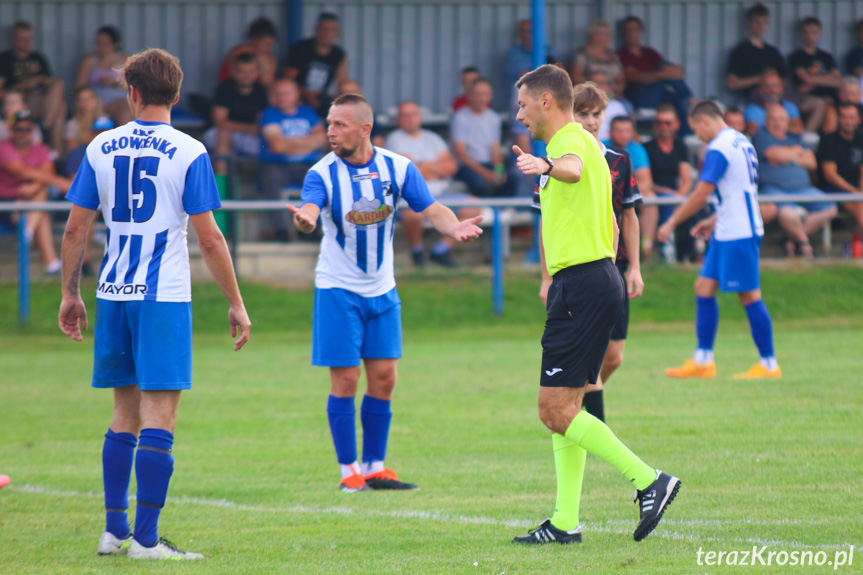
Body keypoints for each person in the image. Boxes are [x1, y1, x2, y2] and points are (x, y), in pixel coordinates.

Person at [58, 48, 251, 561]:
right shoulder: (189, 151)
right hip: (162, 297)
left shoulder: (100, 148)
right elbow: (210, 239)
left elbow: (77, 226)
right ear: (178, 93)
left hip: (113, 294)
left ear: (132, 92)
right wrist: (236, 302)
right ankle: (145, 539)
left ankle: (114, 531)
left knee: (125, 413)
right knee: (159, 415)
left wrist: (70, 293)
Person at [510, 64, 680, 545]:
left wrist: (545, 166)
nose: (519, 114)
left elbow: (571, 170)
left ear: (546, 101)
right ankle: (565, 522)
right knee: (568, 403)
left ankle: (651, 481)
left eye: (523, 104)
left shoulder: (566, 141)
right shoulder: (578, 142)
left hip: (583, 284)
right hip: (589, 280)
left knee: (552, 408)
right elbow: (598, 203)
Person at [286, 93, 483, 493]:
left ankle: (376, 467)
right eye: (329, 123)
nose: (330, 132)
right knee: (345, 381)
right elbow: (309, 207)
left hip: (383, 290)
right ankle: (349, 473)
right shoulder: (321, 174)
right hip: (338, 290)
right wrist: (306, 219)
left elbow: (431, 209)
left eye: (339, 125)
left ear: (364, 129)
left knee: (385, 378)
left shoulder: (399, 167)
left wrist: (453, 226)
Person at [532, 80, 643, 423]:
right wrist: (546, 275)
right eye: (583, 113)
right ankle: (587, 421)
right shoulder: (556, 158)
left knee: (612, 358)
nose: (591, 120)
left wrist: (635, 266)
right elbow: (545, 221)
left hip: (609, 269)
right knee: (587, 369)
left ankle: (576, 413)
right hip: (581, 269)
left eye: (597, 114)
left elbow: (625, 214)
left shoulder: (617, 160)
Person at [658, 100, 780, 380]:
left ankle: (769, 364)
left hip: (739, 232)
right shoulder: (741, 140)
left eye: (695, 129)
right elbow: (741, 189)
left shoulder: (719, 148)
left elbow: (702, 192)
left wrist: (672, 222)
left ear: (704, 121)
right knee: (703, 287)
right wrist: (714, 220)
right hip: (729, 227)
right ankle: (703, 360)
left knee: (749, 295)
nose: (697, 136)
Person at [385, 100, 480, 267]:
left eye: (413, 114)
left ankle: (441, 250)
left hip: (442, 192)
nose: (410, 119)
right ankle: (417, 252)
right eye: (405, 115)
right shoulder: (394, 139)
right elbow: (411, 173)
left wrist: (424, 167)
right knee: (413, 215)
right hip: (412, 196)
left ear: (420, 117)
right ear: (398, 119)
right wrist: (436, 167)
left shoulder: (433, 138)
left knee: (474, 206)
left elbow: (451, 166)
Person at [753, 104, 837, 258]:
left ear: (787, 122)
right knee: (788, 214)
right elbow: (774, 155)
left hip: (803, 188)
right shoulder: (761, 135)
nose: (778, 123)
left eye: (782, 119)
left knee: (831, 208)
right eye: (773, 119)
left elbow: (812, 162)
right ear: (766, 121)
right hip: (774, 189)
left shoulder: (794, 137)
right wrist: (797, 154)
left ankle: (792, 239)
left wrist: (787, 156)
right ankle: (804, 243)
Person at [0, 110, 70, 274]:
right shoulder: (3, 147)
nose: (24, 133)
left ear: (33, 131)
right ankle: (50, 261)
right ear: (11, 130)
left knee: (40, 201)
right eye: (19, 129)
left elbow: (47, 173)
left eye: (28, 129)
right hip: (6, 204)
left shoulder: (42, 149)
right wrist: (60, 182)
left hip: (27, 205)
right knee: (41, 207)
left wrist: (34, 186)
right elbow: (20, 170)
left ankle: (27, 234)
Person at [259, 78, 326, 242]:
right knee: (271, 179)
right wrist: (309, 142)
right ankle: (280, 230)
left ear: (296, 94)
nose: (281, 97)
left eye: (286, 94)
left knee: (320, 180)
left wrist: (289, 143)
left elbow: (322, 139)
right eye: (278, 94)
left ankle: (310, 228)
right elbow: (277, 145)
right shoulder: (269, 113)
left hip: (306, 165)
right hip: (278, 165)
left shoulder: (308, 112)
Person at [0, 21, 66, 152]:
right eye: (22, 39)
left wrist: (42, 81)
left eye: (29, 39)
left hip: (40, 99)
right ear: (13, 38)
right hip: (19, 100)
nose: (26, 43)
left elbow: (51, 83)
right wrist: (23, 85)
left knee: (59, 87)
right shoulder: (4, 59)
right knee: (60, 108)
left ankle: (53, 147)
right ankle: (46, 134)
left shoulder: (38, 57)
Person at [643, 104, 698, 261]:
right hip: (655, 192)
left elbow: (686, 180)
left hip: (675, 195)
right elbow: (647, 181)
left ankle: (678, 252)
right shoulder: (647, 147)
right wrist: (670, 194)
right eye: (659, 122)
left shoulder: (681, 147)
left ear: (676, 125)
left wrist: (677, 197)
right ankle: (669, 251)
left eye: (667, 123)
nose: (663, 126)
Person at [617, 15, 692, 129]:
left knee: (679, 100)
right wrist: (661, 75)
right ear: (623, 33)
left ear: (641, 32)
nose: (631, 34)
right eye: (628, 30)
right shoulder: (621, 54)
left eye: (634, 30)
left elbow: (677, 72)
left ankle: (687, 134)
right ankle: (691, 98)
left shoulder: (649, 53)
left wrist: (653, 75)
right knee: (660, 82)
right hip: (637, 96)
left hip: (658, 94)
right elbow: (636, 77)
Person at [206, 53, 269, 176]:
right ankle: (222, 189)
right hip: (218, 134)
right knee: (224, 135)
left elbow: (262, 121)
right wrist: (248, 128)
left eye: (250, 71)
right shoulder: (225, 88)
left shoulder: (260, 90)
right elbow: (220, 122)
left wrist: (254, 129)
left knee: (268, 142)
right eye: (241, 71)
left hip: (248, 136)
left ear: (257, 73)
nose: (246, 76)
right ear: (233, 72)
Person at [451, 77, 515, 197]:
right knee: (481, 184)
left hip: (487, 165)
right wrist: (486, 174)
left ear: (490, 96)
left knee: (511, 180)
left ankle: (502, 213)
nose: (481, 98)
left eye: (485, 94)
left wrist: (499, 172)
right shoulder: (460, 117)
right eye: (478, 94)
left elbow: (495, 149)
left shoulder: (494, 118)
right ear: (469, 96)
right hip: (466, 167)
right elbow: (461, 153)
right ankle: (484, 214)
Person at [604, 115, 658, 257]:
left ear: (632, 132)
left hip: (626, 195)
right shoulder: (601, 147)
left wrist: (626, 195)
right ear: (610, 132)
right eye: (619, 131)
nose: (623, 135)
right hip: (605, 197)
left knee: (650, 200)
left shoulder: (637, 149)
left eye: (627, 131)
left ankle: (646, 247)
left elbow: (647, 182)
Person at [283, 12, 347, 118]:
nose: (327, 33)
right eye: (324, 28)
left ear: (337, 33)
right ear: (316, 29)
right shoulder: (301, 49)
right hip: (298, 97)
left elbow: (342, 82)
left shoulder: (338, 54)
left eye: (331, 29)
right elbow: (288, 81)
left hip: (321, 99)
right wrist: (306, 94)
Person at [786, 17, 841, 133]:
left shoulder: (826, 56)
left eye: (814, 32)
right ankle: (807, 137)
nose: (810, 36)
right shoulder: (797, 56)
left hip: (829, 97)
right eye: (807, 32)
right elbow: (805, 78)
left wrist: (813, 80)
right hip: (804, 98)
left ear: (819, 34)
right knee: (820, 104)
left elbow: (837, 80)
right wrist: (828, 79)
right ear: (802, 34)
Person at [726, 4, 789, 101]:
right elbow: (732, 84)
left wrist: (773, 79)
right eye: (757, 22)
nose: (761, 26)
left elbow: (785, 80)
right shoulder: (740, 51)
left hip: (778, 94)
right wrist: (760, 78)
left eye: (765, 22)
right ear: (748, 23)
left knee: (816, 102)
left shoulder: (773, 52)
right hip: (755, 96)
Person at [818, 102, 863, 233]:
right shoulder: (828, 140)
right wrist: (855, 193)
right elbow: (830, 175)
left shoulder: (861, 138)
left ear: (858, 119)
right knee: (861, 205)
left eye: (851, 117)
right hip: (833, 190)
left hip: (856, 188)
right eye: (844, 117)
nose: (847, 121)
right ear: (838, 118)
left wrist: (860, 190)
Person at [74, 26, 132, 126]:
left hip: (117, 99)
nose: (100, 46)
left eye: (104, 43)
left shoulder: (124, 58)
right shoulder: (89, 60)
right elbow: (79, 86)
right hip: (94, 99)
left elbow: (132, 85)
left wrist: (113, 83)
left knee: (125, 114)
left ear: (115, 44)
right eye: (98, 43)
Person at [218, 17, 279, 95]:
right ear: (254, 39)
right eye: (265, 44)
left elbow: (269, 86)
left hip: (258, 99)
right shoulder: (237, 53)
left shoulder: (270, 58)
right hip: (232, 95)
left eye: (270, 45)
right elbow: (235, 79)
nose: (268, 48)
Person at [570, 21, 624, 97]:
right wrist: (593, 83)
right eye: (607, 34)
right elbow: (575, 76)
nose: (611, 37)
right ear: (595, 35)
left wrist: (614, 87)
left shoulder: (613, 56)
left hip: (612, 96)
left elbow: (621, 79)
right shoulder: (582, 55)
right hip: (590, 97)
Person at [743, 69, 803, 137]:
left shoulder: (791, 106)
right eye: (768, 86)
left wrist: (770, 130)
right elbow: (753, 132)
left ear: (782, 88)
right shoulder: (752, 109)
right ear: (760, 89)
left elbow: (798, 129)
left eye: (776, 86)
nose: (773, 90)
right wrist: (783, 129)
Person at [504, 19, 559, 89]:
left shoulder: (548, 50)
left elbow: (561, 72)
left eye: (532, 31)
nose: (528, 35)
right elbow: (527, 77)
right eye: (525, 32)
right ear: (519, 34)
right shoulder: (514, 54)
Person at [590, 72, 631, 142]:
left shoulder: (617, 106)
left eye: (601, 83)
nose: (597, 86)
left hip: (613, 145)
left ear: (608, 86)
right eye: (593, 83)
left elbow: (627, 129)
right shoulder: (579, 107)